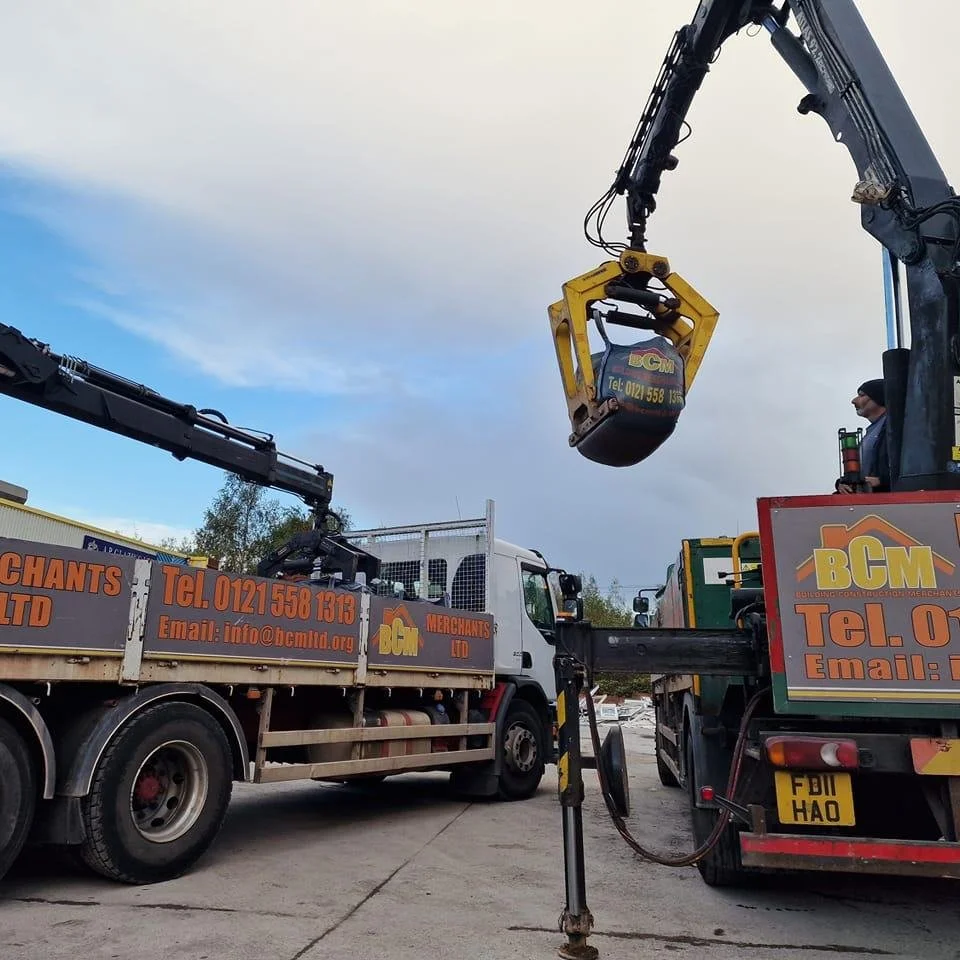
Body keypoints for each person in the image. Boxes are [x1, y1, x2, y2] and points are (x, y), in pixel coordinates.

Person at [836, 379, 889, 494]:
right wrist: (843, 483)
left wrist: (883, 481)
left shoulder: (896, 428)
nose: (854, 401)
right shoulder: (870, 433)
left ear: (878, 397)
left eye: (861, 395)